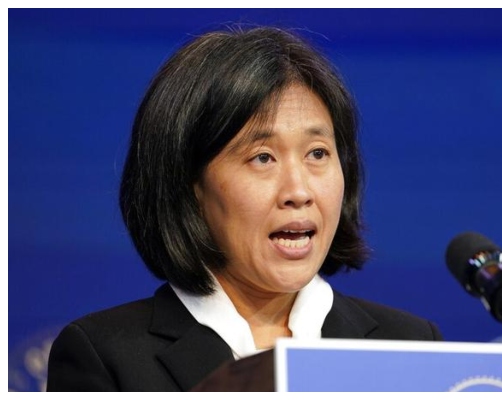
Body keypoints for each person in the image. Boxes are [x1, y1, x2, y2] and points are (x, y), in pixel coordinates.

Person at [46, 26, 442, 392]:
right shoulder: (106, 358)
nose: (299, 191)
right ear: (189, 183)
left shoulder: (410, 345)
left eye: (317, 153)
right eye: (263, 158)